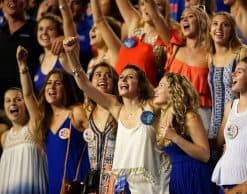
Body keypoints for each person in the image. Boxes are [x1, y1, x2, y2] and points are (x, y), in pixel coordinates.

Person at [62, 36, 170, 194]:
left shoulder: (151, 106)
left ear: (140, 85)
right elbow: (85, 85)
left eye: (130, 77)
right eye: (121, 77)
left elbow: (173, 100)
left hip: (157, 183)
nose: (124, 79)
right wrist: (72, 55)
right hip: (130, 186)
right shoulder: (116, 108)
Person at [15, 46, 90, 194]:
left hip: (78, 187)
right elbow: (29, 95)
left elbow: (99, 137)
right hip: (53, 188)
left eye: (58, 83)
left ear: (66, 88)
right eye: (48, 83)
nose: (52, 86)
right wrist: (23, 66)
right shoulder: (43, 119)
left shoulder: (76, 112)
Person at [145, 1, 212, 130]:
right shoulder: (174, 46)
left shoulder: (210, 54)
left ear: (201, 21)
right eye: (181, 18)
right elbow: (155, 15)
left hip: (200, 114)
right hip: (170, 110)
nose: (184, 20)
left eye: (190, 16)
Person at [212, 57, 247, 194]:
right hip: (225, 182)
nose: (233, 74)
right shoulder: (230, 106)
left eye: (239, 71)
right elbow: (218, 142)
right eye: (234, 71)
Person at [154, 72, 214, 194]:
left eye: (161, 85)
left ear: (173, 90)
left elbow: (205, 155)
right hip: (177, 178)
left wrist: (175, 137)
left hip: (195, 177)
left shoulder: (189, 116)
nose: (156, 89)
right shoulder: (161, 119)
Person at [0, 46, 49, 193]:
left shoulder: (34, 126)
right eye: (8, 101)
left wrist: (23, 66)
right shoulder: (4, 138)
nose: (12, 103)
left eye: (17, 99)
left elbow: (28, 94)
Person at [208, 11, 247, 139]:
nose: (219, 28)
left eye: (225, 25)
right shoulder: (210, 57)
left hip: (237, 121)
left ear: (232, 31)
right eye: (215, 24)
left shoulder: (242, 53)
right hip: (215, 124)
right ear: (210, 30)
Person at [115, 0, 179, 85]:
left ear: (164, 12)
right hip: (120, 86)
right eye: (143, 4)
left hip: (146, 92)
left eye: (157, 4)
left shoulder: (167, 37)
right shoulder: (135, 24)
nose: (147, 7)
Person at [83, 63, 119, 194]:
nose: (102, 78)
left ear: (115, 83)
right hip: (93, 186)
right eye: (98, 75)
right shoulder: (85, 113)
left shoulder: (120, 110)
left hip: (117, 185)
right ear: (90, 82)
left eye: (108, 75)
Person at [0, 0, 42, 109]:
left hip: (29, 105)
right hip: (2, 105)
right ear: (1, 3)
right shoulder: (1, 31)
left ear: (26, 2)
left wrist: (59, 40)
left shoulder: (37, 30)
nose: (12, 1)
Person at [34, 13, 70, 93]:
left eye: (50, 29)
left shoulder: (64, 55)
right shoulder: (41, 58)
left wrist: (65, 39)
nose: (44, 33)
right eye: (40, 29)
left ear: (59, 32)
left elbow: (72, 39)